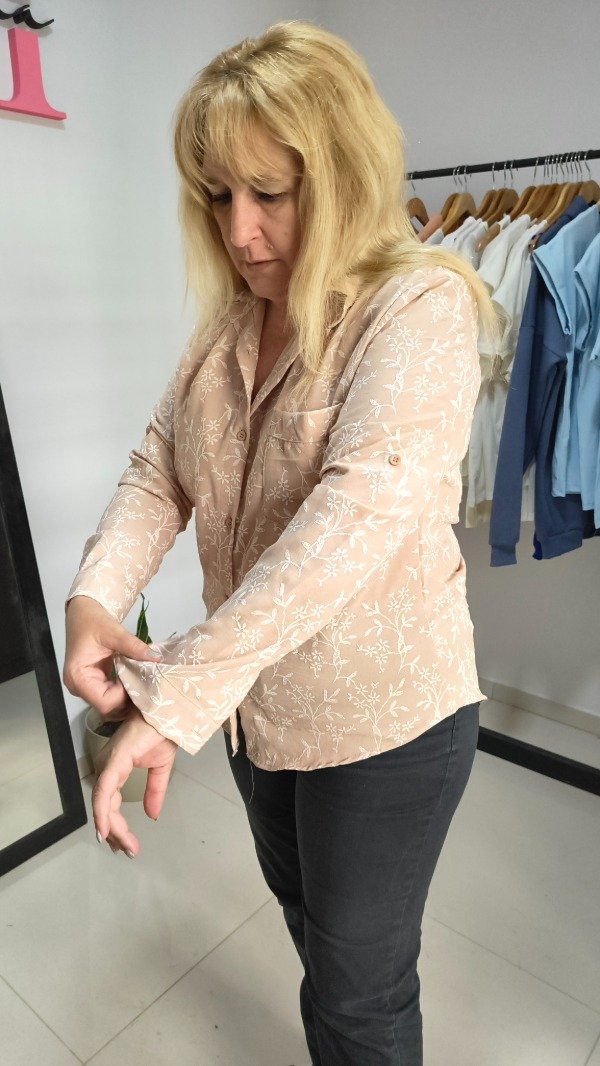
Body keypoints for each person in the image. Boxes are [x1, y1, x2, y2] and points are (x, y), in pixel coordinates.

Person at [63, 21, 496, 1065]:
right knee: (315, 928)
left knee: (360, 994)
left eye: (270, 192)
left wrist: (173, 693)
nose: (241, 231)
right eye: (218, 196)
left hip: (386, 727)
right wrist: (93, 596)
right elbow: (159, 466)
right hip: (262, 718)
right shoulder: (227, 326)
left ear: (341, 173)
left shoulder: (419, 307)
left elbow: (350, 523)